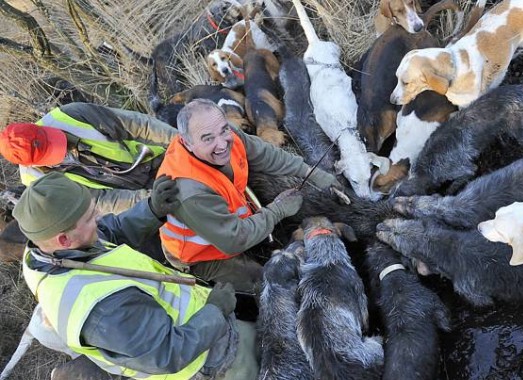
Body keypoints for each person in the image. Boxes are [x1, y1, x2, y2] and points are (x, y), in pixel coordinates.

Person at [13, 172, 259, 380]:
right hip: (207, 360)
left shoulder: (44, 250)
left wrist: (152, 210)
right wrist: (215, 311)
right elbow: (169, 353)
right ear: (64, 239)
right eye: (89, 217)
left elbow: (109, 232)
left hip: (200, 321)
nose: (98, 215)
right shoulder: (104, 311)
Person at [158, 99, 342, 295]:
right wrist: (278, 210)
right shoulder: (189, 191)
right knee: (267, 283)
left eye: (223, 130)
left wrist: (309, 172)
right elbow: (234, 239)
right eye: (207, 138)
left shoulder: (228, 134)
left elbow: (265, 154)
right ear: (187, 142)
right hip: (203, 255)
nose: (222, 144)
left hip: (228, 226)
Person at [0, 102, 177, 215]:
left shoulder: (70, 115)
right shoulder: (36, 182)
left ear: (37, 127)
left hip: (160, 160)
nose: (61, 152)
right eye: (50, 154)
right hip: (133, 201)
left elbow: (140, 126)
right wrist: (151, 200)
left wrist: (183, 142)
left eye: (52, 143)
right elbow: (98, 201)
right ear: (31, 164)